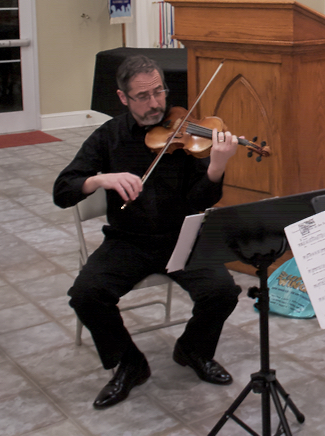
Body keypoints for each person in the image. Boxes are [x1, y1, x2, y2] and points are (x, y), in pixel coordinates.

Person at [54, 55, 242, 409]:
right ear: (123, 98)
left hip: (181, 237)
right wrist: (99, 179)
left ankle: (192, 349)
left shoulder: (185, 133)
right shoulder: (108, 138)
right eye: (143, 96)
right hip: (129, 240)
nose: (155, 103)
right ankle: (130, 362)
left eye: (159, 91)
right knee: (85, 294)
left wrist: (216, 167)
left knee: (223, 291)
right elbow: (62, 190)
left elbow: (199, 201)